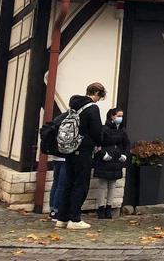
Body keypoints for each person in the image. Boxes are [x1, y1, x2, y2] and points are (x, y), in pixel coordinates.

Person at [56, 82, 105, 230]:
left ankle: (62, 218)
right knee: (81, 184)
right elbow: (97, 131)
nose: (99, 99)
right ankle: (75, 219)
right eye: (100, 96)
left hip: (70, 149)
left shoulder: (74, 106)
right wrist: (99, 142)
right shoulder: (92, 108)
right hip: (83, 150)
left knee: (68, 183)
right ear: (96, 93)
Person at [92, 107, 130, 219]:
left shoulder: (122, 130)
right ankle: (100, 208)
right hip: (105, 160)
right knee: (102, 185)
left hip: (116, 160)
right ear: (112, 116)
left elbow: (126, 144)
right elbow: (97, 143)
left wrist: (124, 154)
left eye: (121, 116)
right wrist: (102, 154)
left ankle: (109, 207)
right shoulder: (104, 129)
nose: (120, 118)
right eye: (118, 116)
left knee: (112, 185)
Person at [48, 155, 66, 220]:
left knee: (56, 184)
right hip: (65, 158)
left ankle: (52, 211)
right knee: (61, 185)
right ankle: (56, 211)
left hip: (55, 157)